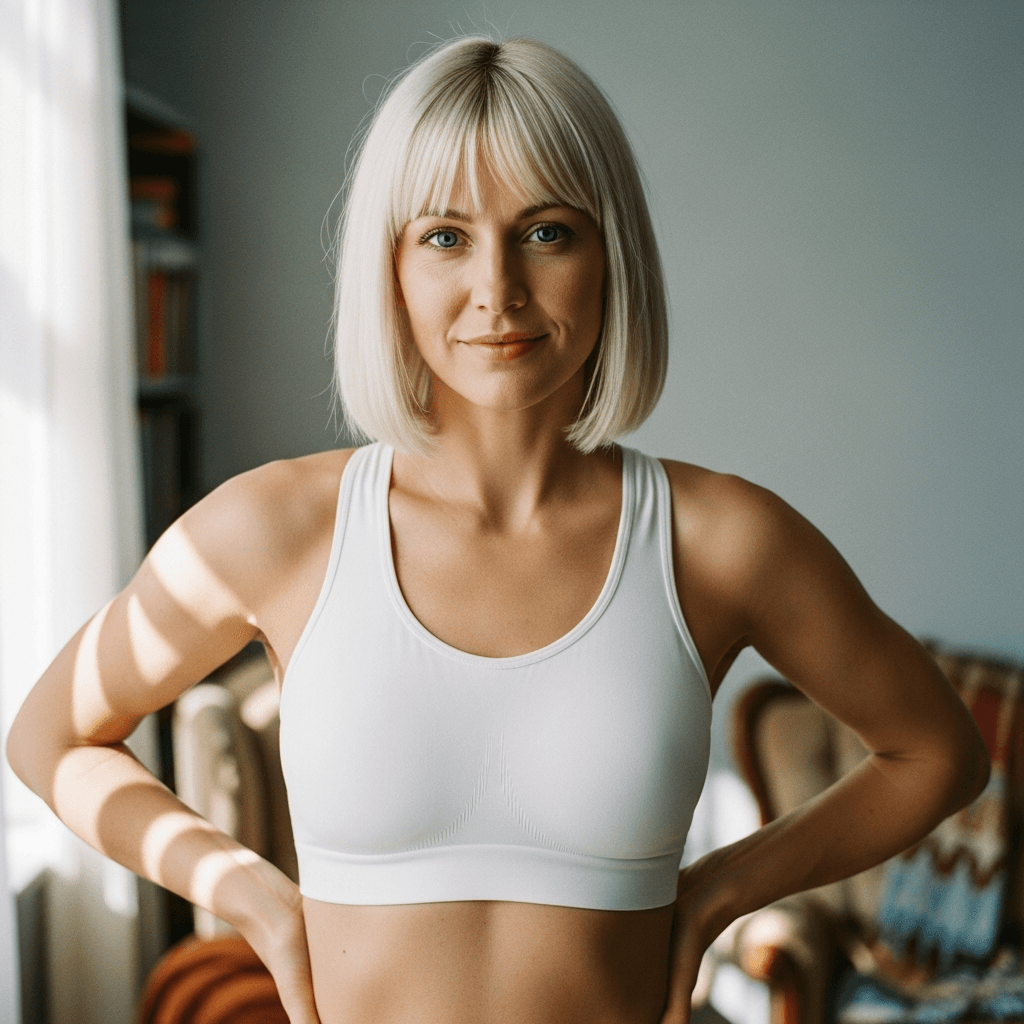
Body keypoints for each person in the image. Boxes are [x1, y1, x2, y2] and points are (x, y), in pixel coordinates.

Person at [7, 35, 989, 1024]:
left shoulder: (719, 539)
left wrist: (719, 892)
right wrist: (247, 890)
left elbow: (936, 751)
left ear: (611, 255)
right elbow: (51, 735)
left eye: (547, 231)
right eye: (444, 235)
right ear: (387, 266)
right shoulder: (275, 526)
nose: (498, 289)